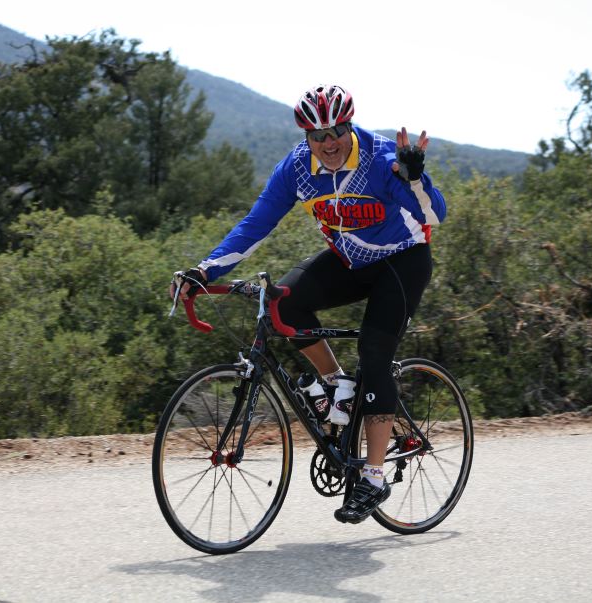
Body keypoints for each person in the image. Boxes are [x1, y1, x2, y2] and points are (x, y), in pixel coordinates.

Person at [170, 84, 446, 524]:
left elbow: (433, 216)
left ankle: (373, 477)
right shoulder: (298, 168)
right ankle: (338, 386)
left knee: (375, 352)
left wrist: (414, 178)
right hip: (349, 260)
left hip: (402, 261)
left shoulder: (378, 160)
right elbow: (255, 224)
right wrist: (205, 271)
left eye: (337, 130)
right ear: (306, 137)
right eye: (318, 135)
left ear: (349, 125)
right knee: (284, 302)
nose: (328, 141)